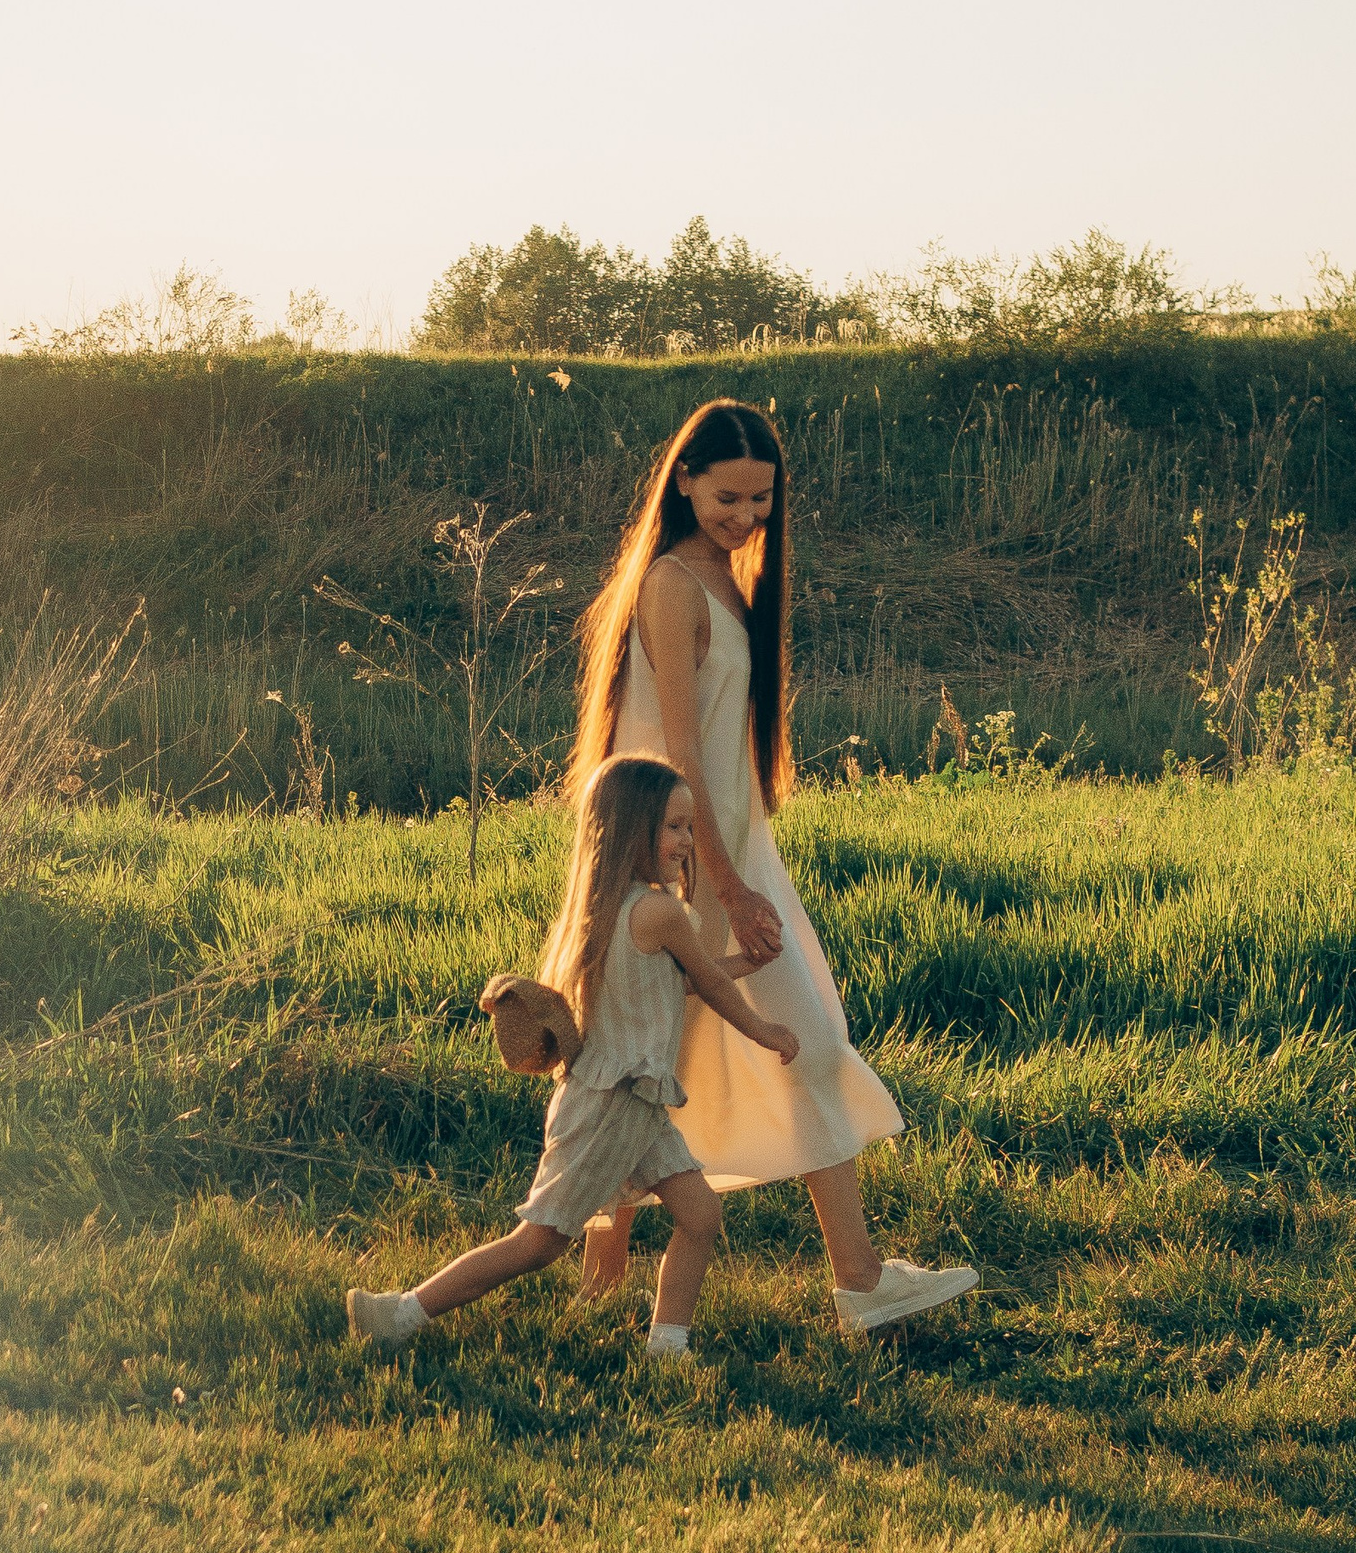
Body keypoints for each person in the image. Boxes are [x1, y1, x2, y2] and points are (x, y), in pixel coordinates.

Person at [568, 397, 979, 1341]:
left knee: (751, 1050)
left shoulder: (726, 578)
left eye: (761, 500)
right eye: (727, 497)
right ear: (683, 481)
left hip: (730, 855)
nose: (746, 516)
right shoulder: (673, 583)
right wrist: (726, 884)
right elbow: (678, 755)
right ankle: (607, 1276)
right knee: (659, 1058)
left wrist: (743, 868)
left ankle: (851, 1279)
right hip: (680, 865)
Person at [347, 755, 798, 1364]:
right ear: (633, 828)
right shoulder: (659, 912)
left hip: (633, 1100)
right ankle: (400, 1313)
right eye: (673, 827)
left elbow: (679, 983)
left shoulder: (609, 907)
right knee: (537, 1244)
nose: (687, 841)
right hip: (611, 1105)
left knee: (700, 1214)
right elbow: (709, 986)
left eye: (690, 827)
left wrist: (747, 962)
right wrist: (765, 1030)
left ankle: (668, 1347)